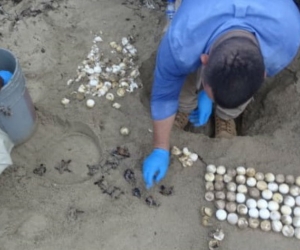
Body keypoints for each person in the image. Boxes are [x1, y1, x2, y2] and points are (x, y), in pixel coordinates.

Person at [142, 0, 300, 189]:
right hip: (201, 11)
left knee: (239, 80)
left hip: (273, 11)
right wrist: (160, 148)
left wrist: (209, 95)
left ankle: (227, 116)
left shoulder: (287, 38)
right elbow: (163, 95)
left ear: (264, 72)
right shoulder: (182, 40)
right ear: (204, 60)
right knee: (182, 67)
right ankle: (184, 107)